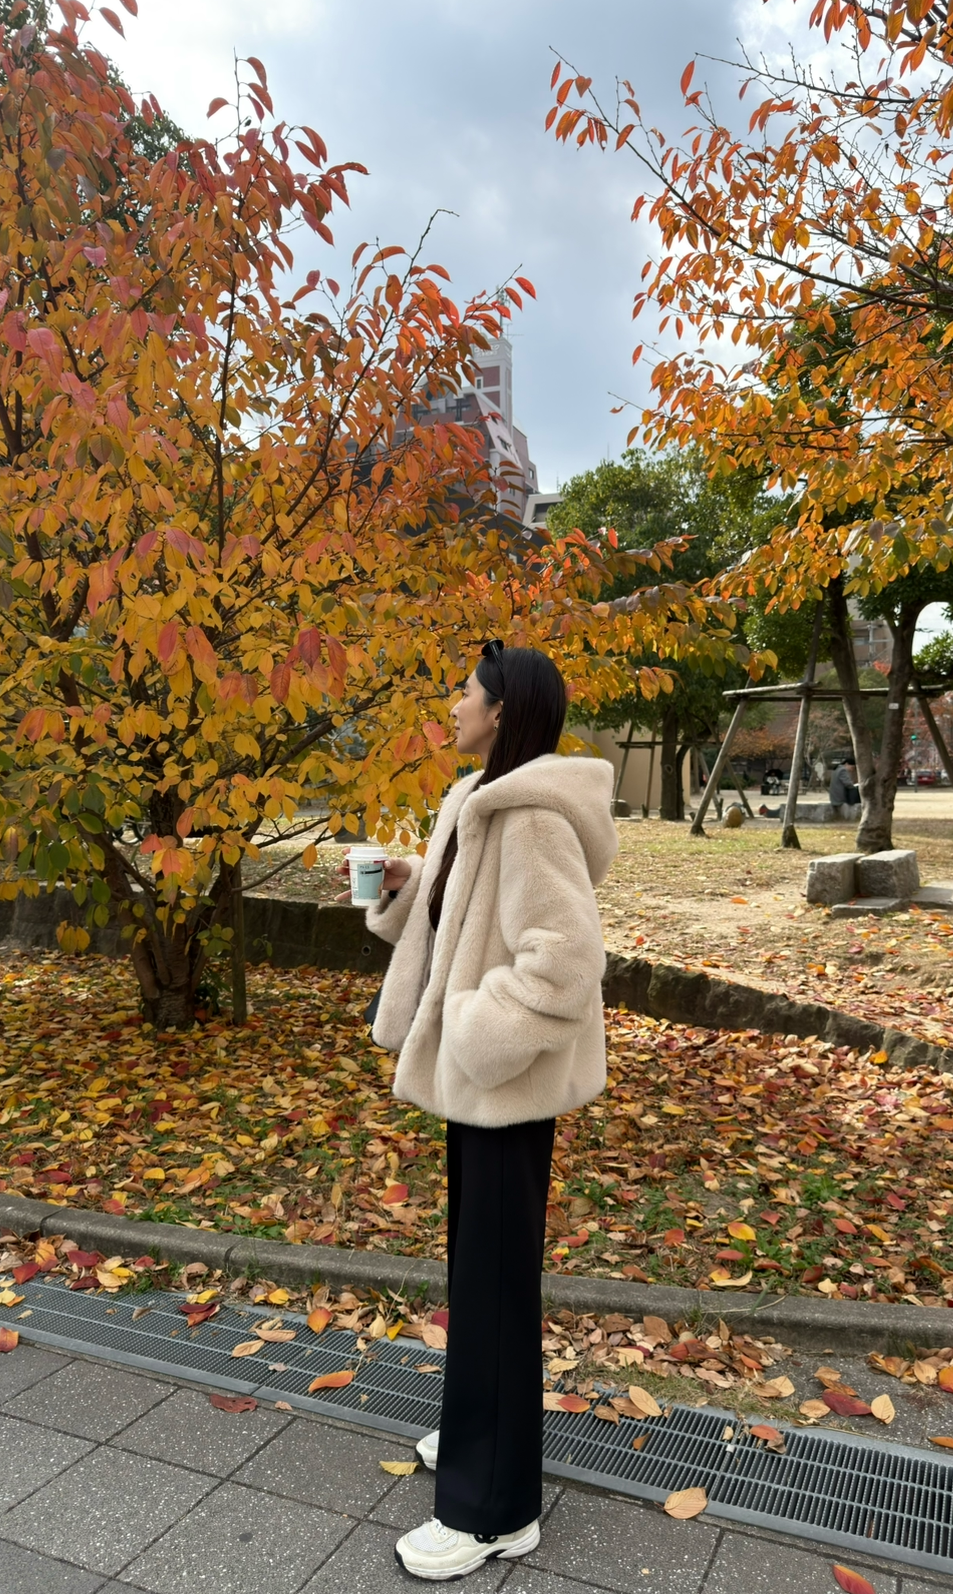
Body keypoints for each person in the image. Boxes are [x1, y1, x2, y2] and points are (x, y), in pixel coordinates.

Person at [362, 640, 617, 1582]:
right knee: (481, 1279)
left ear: (503, 710)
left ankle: (493, 1509)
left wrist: (476, 1031)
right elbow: (458, 912)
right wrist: (406, 887)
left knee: (497, 1288)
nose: (453, 705)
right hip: (477, 1091)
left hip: (501, 1084)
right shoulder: (473, 801)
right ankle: (484, 1432)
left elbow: (562, 958)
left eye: (465, 694)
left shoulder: (533, 816)